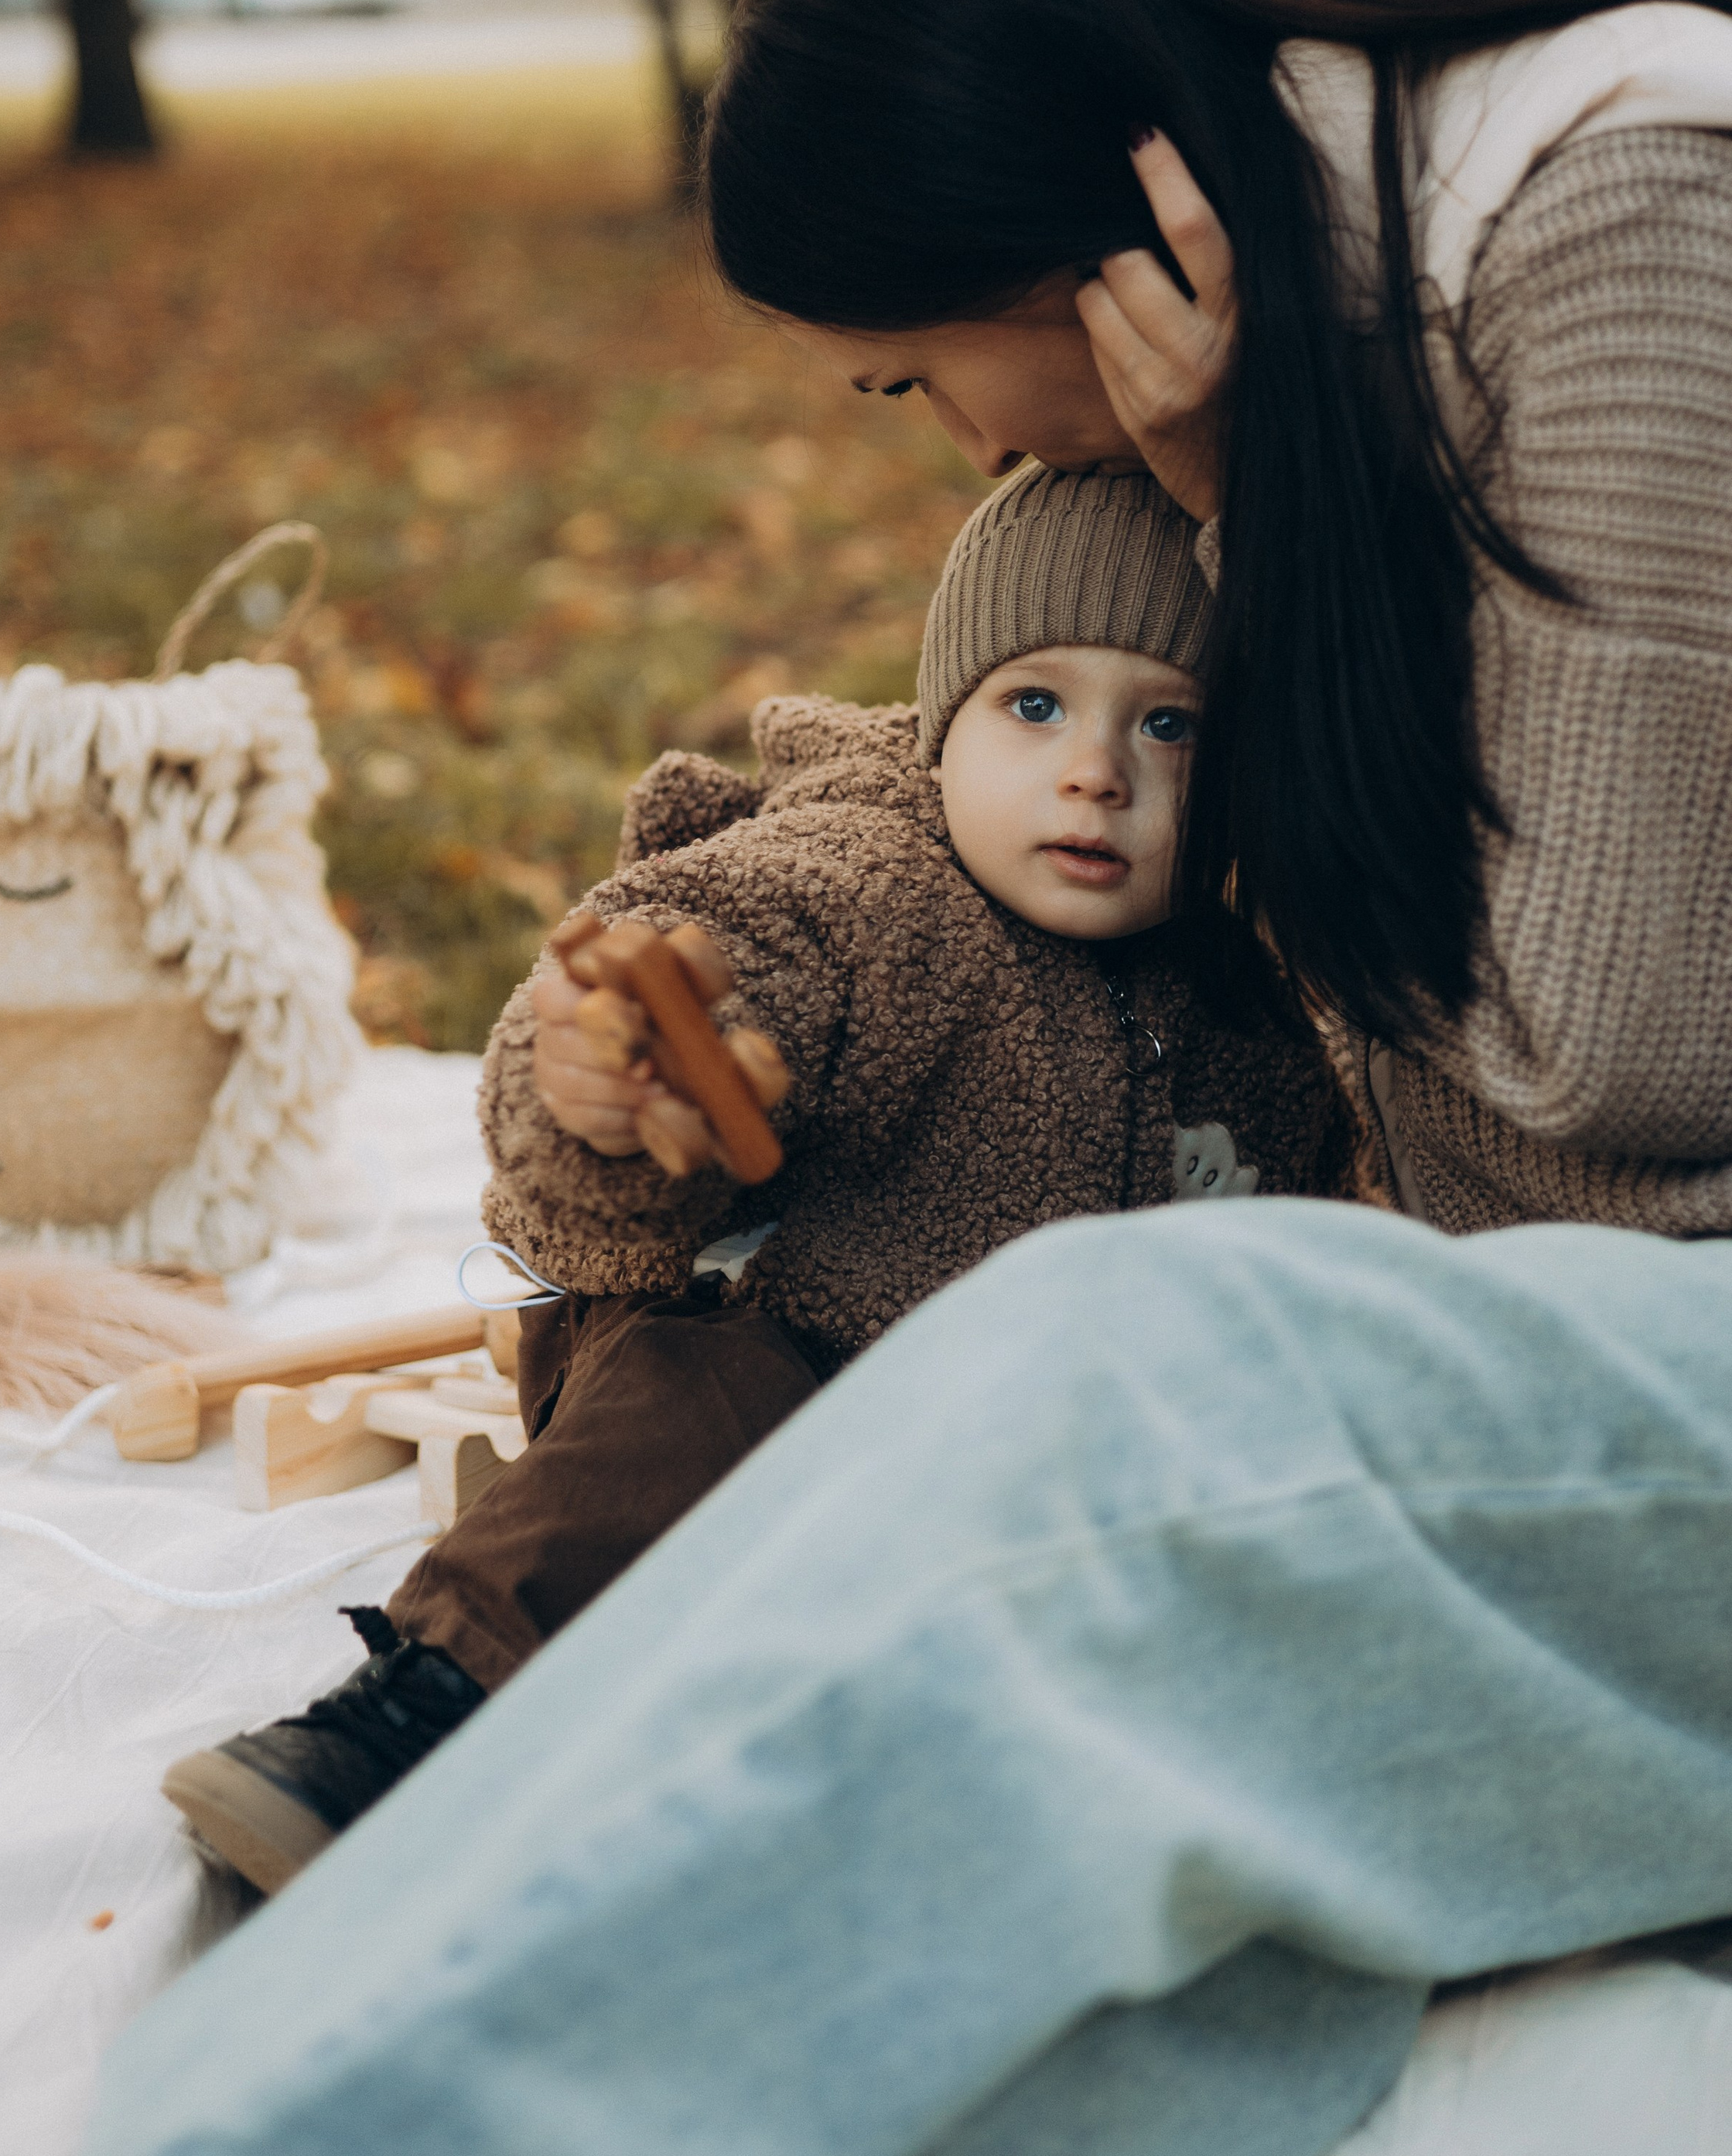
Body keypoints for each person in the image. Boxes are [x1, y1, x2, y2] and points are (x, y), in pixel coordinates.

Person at [0, 0, 1732, 2156]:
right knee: (1109, 1912)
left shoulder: (1624, 199)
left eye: (910, 379)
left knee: (1133, 1382)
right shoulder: (1399, 247)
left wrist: (1248, 510)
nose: (962, 445)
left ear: (1111, 243)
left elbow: (1595, 1071)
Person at [162, 465, 1351, 1898]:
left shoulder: (1249, 998)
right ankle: (425, 1705)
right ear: (944, 724)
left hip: (1017, 1457)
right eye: (1034, 706)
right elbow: (700, 947)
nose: (1097, 771)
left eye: (1170, 724)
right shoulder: (862, 879)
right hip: (773, 1343)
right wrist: (607, 1085)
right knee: (705, 1403)